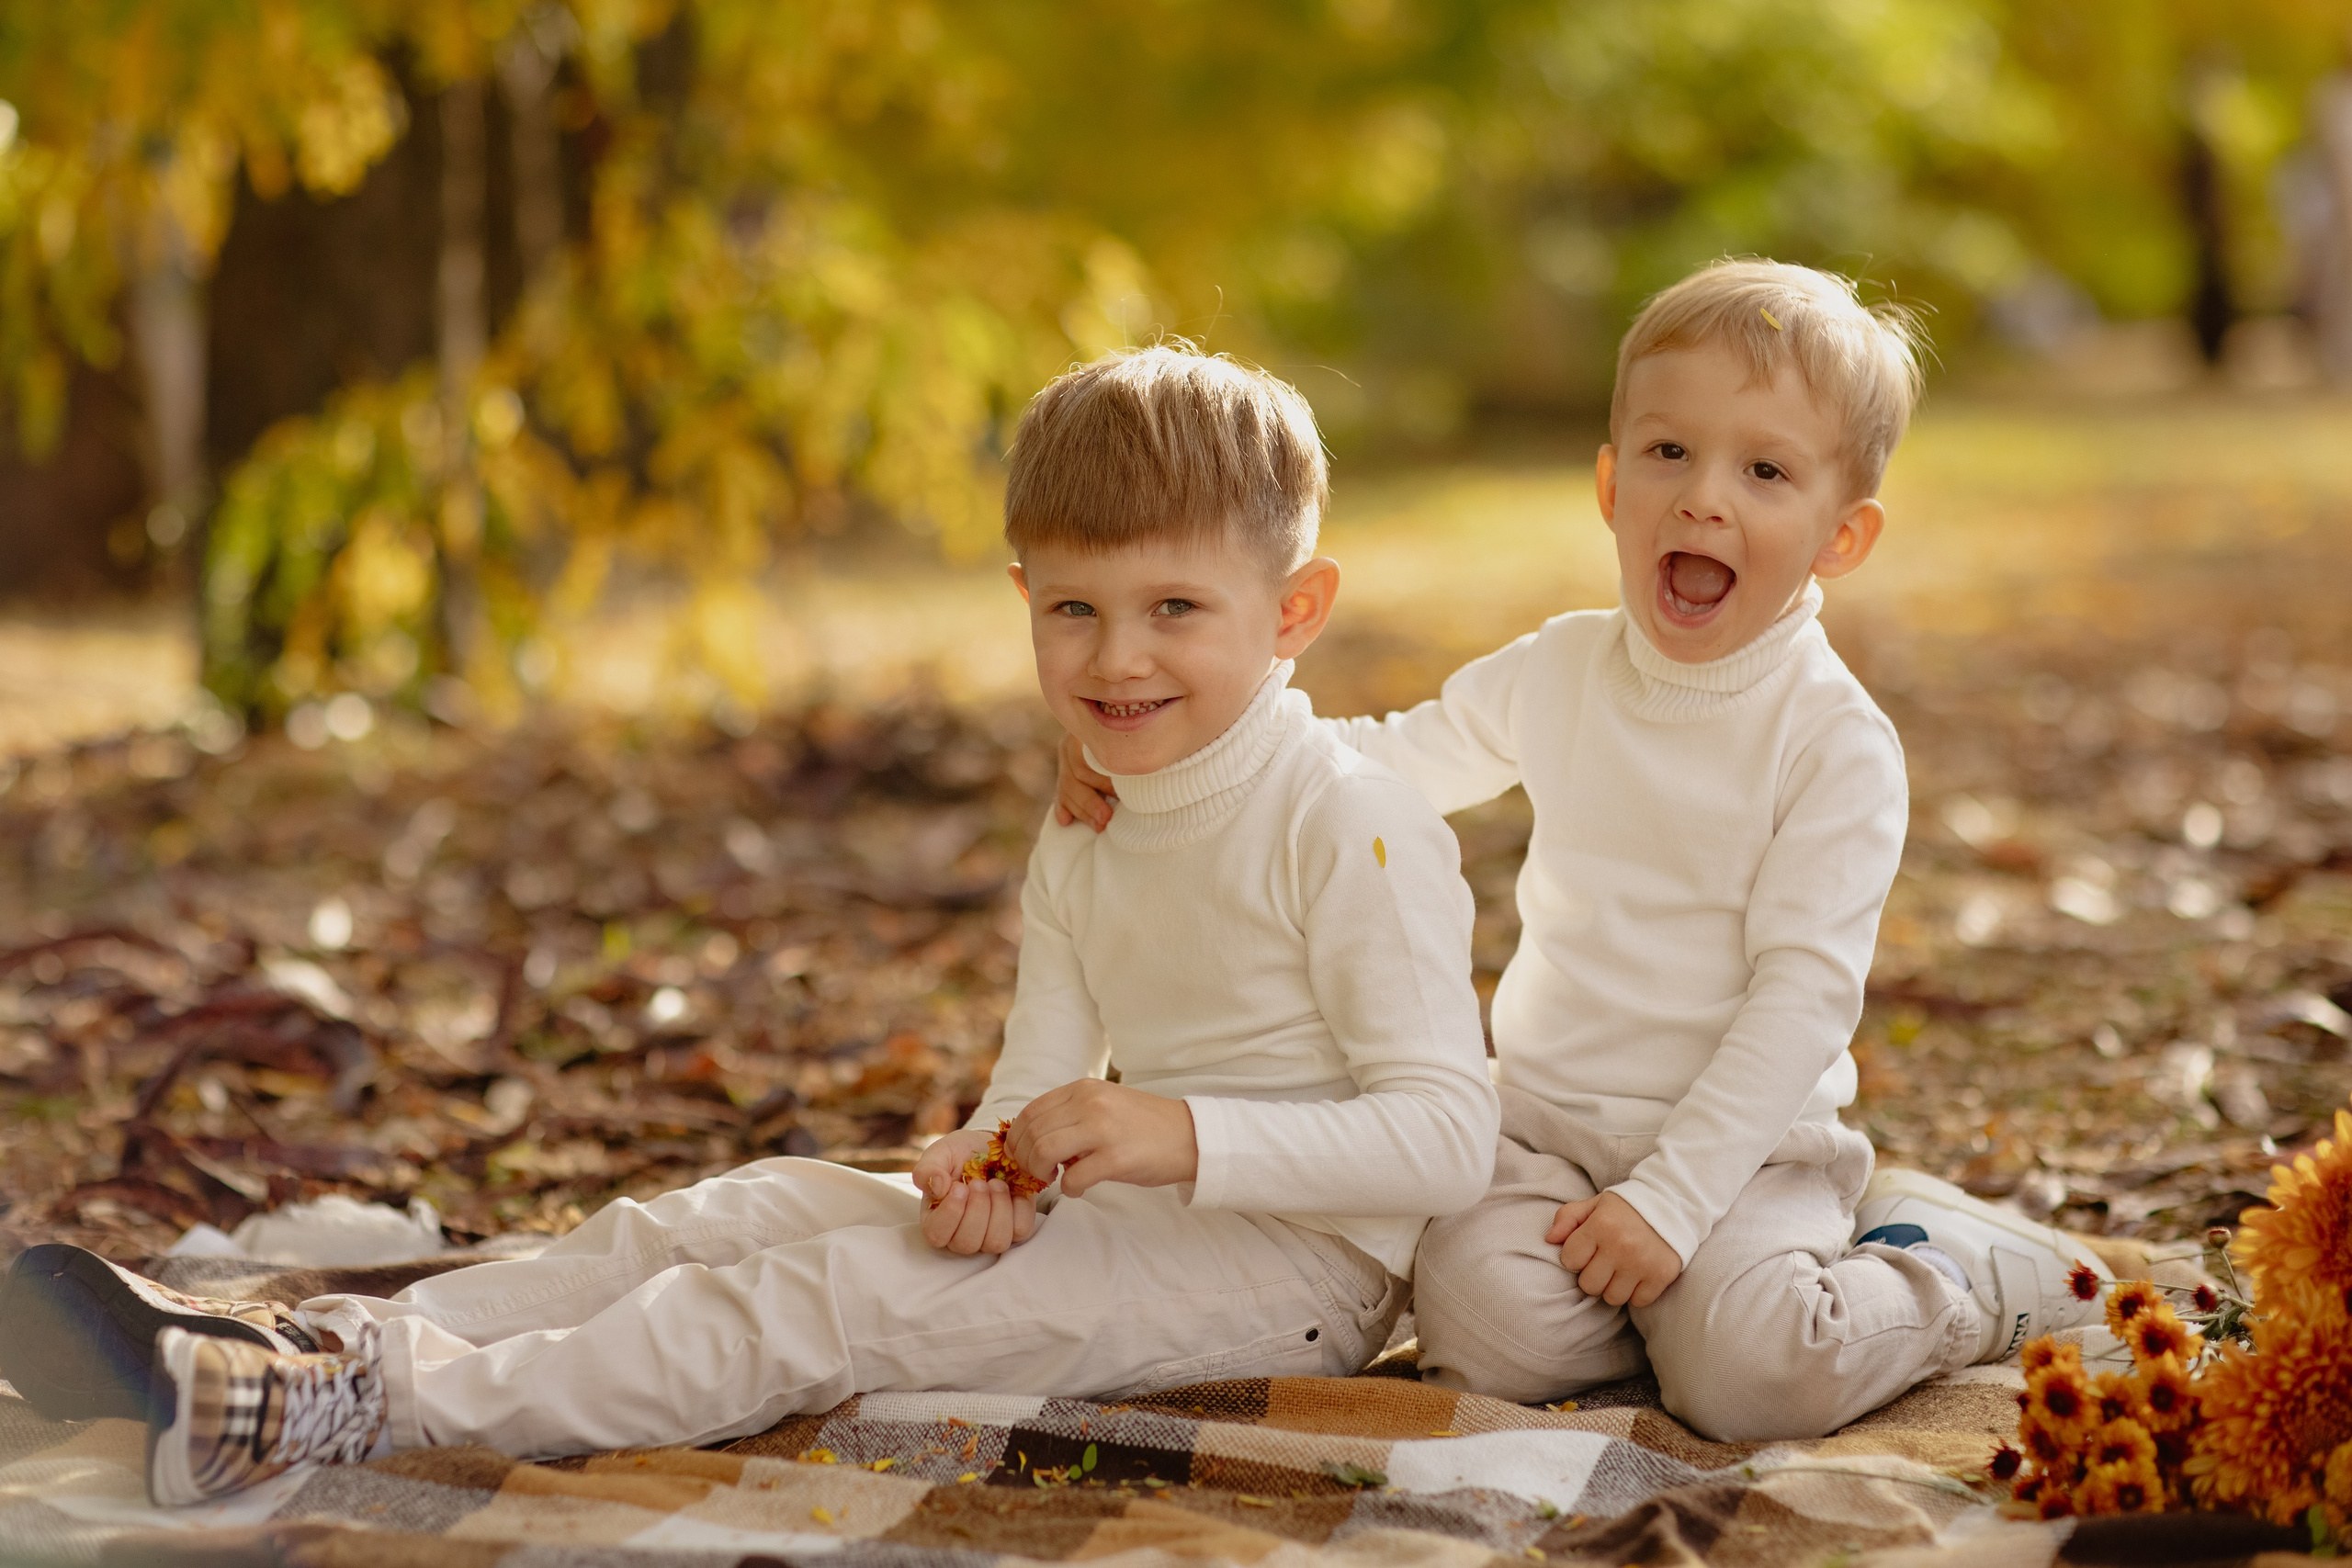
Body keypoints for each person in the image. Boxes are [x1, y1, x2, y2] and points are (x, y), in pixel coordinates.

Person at [0, 344, 1500, 1505]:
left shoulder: (1346, 818)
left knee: (819, 1299)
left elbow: (1441, 1140)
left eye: (1177, 608)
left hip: (1295, 1277)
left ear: (1295, 609)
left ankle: (363, 1408)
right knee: (722, 1216)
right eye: (1074, 611)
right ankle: (315, 1345)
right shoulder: (1094, 813)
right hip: (1125, 1214)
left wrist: (1167, 1133)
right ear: (1023, 594)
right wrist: (985, 1174)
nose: (1117, 659)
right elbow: (1028, 1087)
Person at [1055, 261, 2109, 1440]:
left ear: (1840, 536)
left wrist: (1668, 1200)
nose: (1703, 499)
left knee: (1757, 1382)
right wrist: (1167, 748)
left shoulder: (1831, 742)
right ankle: (1666, 1309)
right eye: (1668, 453)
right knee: (1486, 1338)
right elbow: (1375, 762)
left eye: (1763, 471)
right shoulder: (1560, 668)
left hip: (1743, 1152)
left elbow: (1800, 1002)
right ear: (1611, 484)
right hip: (1544, 1129)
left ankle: (1950, 1271)